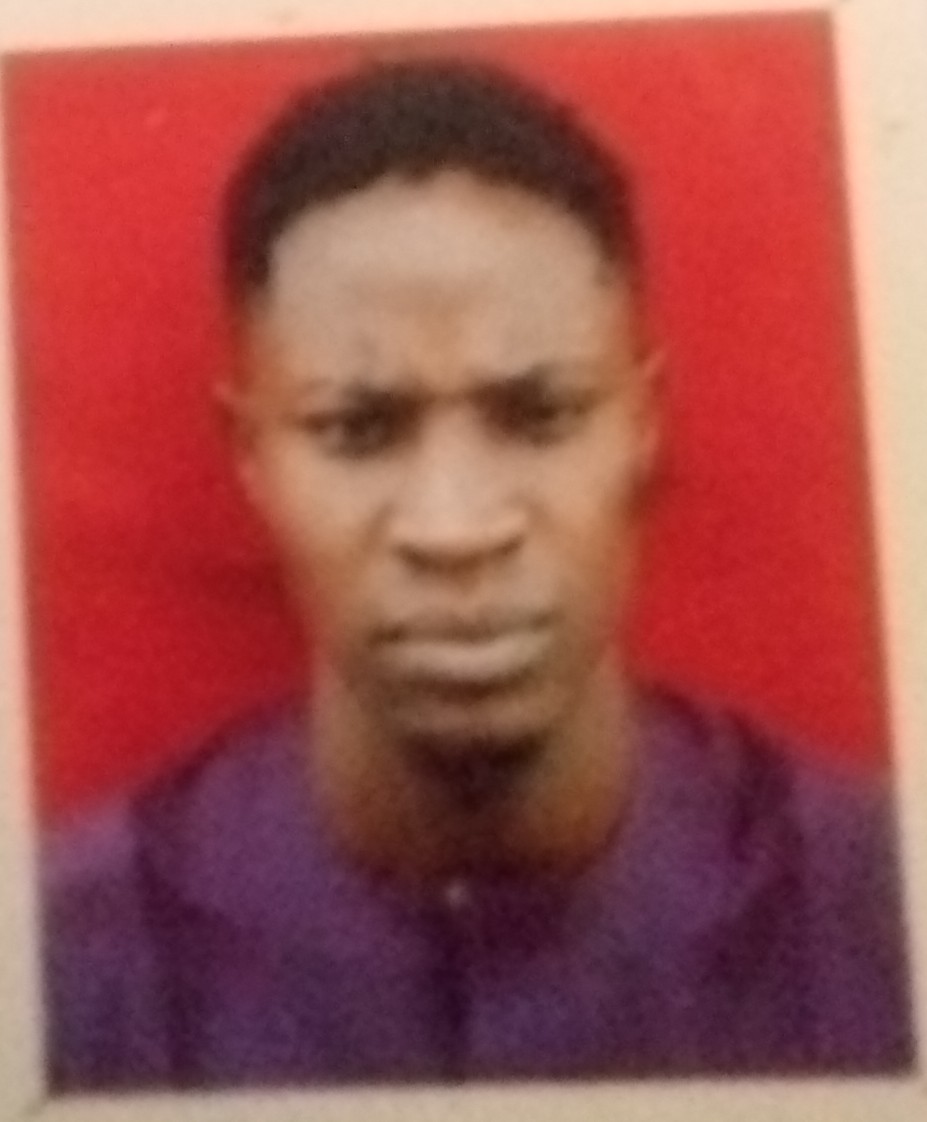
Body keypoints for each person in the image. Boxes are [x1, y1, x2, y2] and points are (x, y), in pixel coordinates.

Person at [41, 57, 913, 1091]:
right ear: (251, 455)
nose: (454, 529)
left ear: (643, 424)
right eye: (357, 428)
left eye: (540, 415)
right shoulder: (69, 965)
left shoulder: (875, 912)